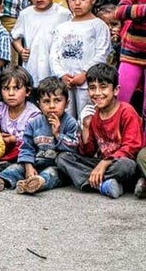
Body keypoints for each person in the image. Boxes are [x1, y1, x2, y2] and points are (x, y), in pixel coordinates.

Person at [0, 76, 79, 194]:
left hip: (57, 166)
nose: (51, 106)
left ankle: (35, 184)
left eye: (57, 100)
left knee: (51, 174)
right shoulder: (34, 123)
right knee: (16, 168)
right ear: (39, 104)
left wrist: (57, 134)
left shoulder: (70, 123)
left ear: (67, 103)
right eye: (46, 101)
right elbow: (26, 147)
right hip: (36, 161)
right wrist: (29, 165)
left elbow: (74, 149)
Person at [56, 63, 141, 199]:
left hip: (120, 163)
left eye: (103, 87)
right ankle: (104, 184)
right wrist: (85, 126)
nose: (97, 93)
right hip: (101, 164)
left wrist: (105, 162)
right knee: (63, 158)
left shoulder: (126, 111)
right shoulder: (93, 115)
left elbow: (132, 147)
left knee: (126, 166)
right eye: (92, 88)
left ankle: (92, 181)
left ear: (116, 90)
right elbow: (88, 152)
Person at [50, 0, 112, 119]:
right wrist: (62, 75)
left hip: (88, 84)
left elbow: (102, 53)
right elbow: (54, 55)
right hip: (65, 84)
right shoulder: (62, 27)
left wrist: (85, 74)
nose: (77, 2)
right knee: (67, 118)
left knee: (88, 118)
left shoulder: (98, 25)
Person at [11, 0, 71, 87]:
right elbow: (14, 36)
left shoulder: (64, 14)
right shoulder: (25, 14)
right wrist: (21, 50)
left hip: (55, 73)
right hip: (32, 71)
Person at [114, 0, 146, 124]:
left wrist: (135, 11)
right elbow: (120, 11)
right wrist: (143, 10)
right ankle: (117, 144)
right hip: (131, 52)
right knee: (119, 102)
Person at [0, 66, 41, 163]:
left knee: (23, 145)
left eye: (16, 88)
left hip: (23, 150)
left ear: (28, 91)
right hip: (3, 146)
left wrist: (13, 139)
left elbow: (30, 138)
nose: (11, 93)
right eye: (6, 88)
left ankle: (3, 163)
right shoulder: (1, 108)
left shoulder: (33, 114)